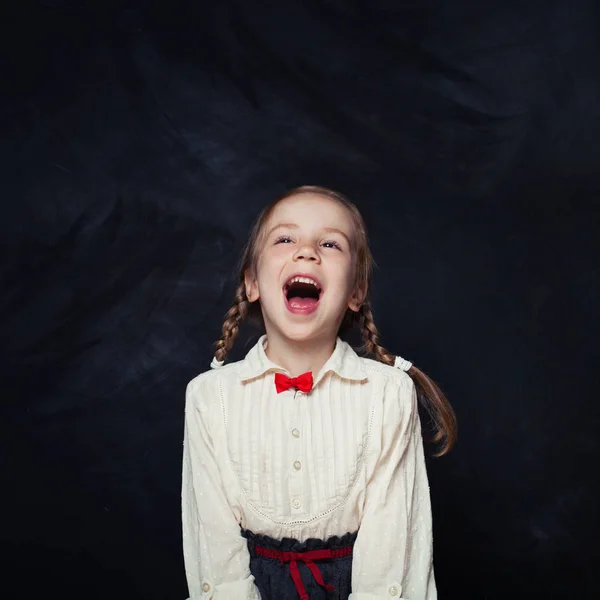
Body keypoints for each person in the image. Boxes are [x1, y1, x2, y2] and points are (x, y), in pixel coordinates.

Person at [181, 186, 457, 600]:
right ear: (253, 282)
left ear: (355, 294)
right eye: (285, 239)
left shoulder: (388, 393)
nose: (307, 252)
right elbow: (214, 552)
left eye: (330, 243)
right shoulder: (209, 396)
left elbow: (392, 549)